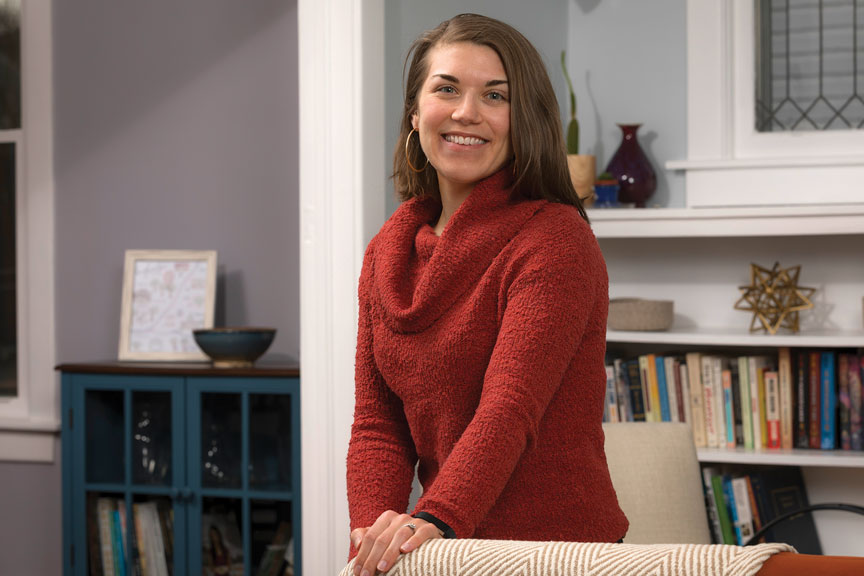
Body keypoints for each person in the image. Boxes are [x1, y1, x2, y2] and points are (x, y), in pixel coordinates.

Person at [346, 13, 628, 576]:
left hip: (556, 554)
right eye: (446, 89)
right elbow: (378, 425)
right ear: (415, 112)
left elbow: (508, 406)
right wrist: (372, 542)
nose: (465, 112)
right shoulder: (387, 253)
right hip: (442, 549)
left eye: (495, 96)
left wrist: (434, 519)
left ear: (524, 121)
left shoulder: (555, 239)